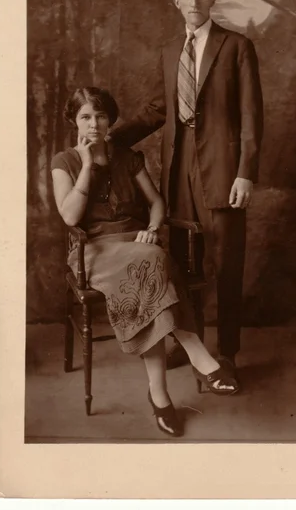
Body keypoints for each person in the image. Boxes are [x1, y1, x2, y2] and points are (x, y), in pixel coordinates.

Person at [51, 86, 238, 438]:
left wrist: (153, 228)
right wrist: (88, 165)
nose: (95, 124)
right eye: (86, 117)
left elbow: (156, 203)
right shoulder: (65, 162)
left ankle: (160, 396)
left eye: (102, 116)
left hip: (137, 247)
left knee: (150, 260)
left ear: (111, 119)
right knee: (153, 261)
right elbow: (71, 217)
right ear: (73, 121)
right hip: (94, 252)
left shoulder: (127, 156)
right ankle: (200, 358)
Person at [110, 0, 264, 378]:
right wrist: (112, 140)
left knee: (225, 263)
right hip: (178, 172)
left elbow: (251, 115)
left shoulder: (236, 46)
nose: (194, 2)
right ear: (175, 0)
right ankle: (191, 345)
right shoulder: (168, 51)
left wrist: (245, 172)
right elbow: (159, 109)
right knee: (181, 263)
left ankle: (227, 352)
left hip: (223, 170)